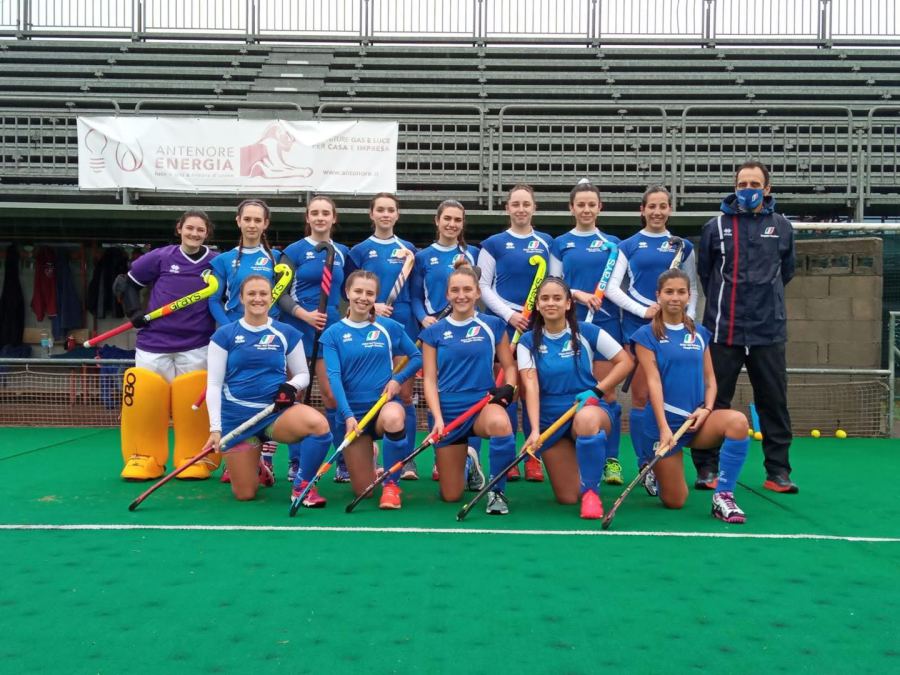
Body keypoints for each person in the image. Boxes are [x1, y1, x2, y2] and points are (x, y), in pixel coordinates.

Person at [694, 161, 797, 493]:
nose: (748, 190)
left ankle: (778, 472)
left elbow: (786, 272)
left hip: (768, 331)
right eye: (742, 184)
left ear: (766, 189)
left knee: (773, 401)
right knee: (713, 400)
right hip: (724, 329)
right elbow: (707, 274)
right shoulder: (715, 227)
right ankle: (707, 468)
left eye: (754, 184)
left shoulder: (782, 226)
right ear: (734, 187)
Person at [632, 269, 751, 523]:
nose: (675, 297)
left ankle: (723, 496)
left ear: (689, 296)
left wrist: (706, 409)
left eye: (681, 292)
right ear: (658, 295)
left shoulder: (700, 333)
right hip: (664, 425)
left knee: (738, 422)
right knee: (675, 501)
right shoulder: (645, 335)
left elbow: (710, 381)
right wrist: (664, 428)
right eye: (669, 292)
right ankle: (652, 469)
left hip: (697, 421)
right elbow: (653, 383)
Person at [604, 186, 698, 494]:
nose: (657, 212)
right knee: (642, 398)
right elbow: (612, 288)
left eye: (663, 206)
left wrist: (687, 321)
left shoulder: (684, 246)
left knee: (671, 397)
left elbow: (692, 289)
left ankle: (666, 458)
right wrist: (643, 310)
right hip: (639, 331)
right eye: (652, 206)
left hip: (675, 333)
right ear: (642, 210)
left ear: (669, 209)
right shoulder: (628, 245)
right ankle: (646, 464)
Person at [205, 275, 331, 502]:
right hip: (238, 420)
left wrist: (291, 386)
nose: (258, 298)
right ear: (241, 298)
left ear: (271, 297)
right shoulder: (224, 335)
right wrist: (215, 428)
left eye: (263, 293)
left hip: (275, 414)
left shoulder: (286, 332)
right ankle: (258, 464)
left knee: (319, 425)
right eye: (251, 294)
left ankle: (302, 486)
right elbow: (213, 385)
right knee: (245, 494)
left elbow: (303, 374)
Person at [517, 277, 632, 519]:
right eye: (545, 298)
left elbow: (625, 362)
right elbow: (531, 387)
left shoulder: (587, 332)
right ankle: (584, 467)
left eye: (557, 298)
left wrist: (597, 391)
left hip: (587, 407)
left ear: (568, 303)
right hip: (551, 419)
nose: (551, 303)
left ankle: (592, 493)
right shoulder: (527, 341)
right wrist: (535, 430)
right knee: (568, 497)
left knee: (587, 420)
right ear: (537, 305)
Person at [117, 210, 219, 481]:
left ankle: (194, 456)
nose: (194, 233)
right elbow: (126, 283)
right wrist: (134, 311)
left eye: (200, 229)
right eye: (190, 228)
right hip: (154, 343)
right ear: (179, 229)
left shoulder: (216, 262)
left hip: (196, 344)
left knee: (193, 404)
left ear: (207, 233)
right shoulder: (161, 257)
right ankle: (144, 457)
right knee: (147, 401)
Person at [317, 271, 423, 509]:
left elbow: (417, 357)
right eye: (358, 291)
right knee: (363, 491)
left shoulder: (388, 327)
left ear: (376, 296)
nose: (363, 297)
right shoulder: (332, 334)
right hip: (354, 417)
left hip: (383, 407)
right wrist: (347, 416)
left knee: (395, 417)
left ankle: (392, 486)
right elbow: (334, 377)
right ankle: (370, 455)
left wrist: (397, 380)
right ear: (347, 292)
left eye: (369, 293)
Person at [420, 261, 517, 514]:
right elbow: (429, 379)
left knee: (501, 424)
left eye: (467, 289)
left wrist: (508, 388)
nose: (461, 295)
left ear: (477, 293)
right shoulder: (434, 332)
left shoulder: (493, 325)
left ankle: (497, 492)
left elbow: (509, 366)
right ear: (447, 294)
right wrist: (437, 418)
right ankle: (469, 464)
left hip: (482, 405)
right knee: (451, 495)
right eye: (455, 290)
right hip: (448, 412)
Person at [549, 180, 625, 486]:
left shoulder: (613, 243)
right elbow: (554, 283)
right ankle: (578, 456)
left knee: (607, 392)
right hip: (569, 323)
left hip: (605, 324)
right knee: (575, 390)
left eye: (591, 204)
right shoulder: (561, 243)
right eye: (580, 204)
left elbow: (616, 286)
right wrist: (577, 295)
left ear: (599, 207)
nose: (586, 209)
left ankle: (611, 460)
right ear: (571, 208)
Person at [477, 184, 553, 482]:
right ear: (507, 208)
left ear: (534, 208)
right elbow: (483, 286)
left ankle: (533, 454)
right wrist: (510, 315)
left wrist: (537, 313)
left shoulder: (546, 242)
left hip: (537, 326)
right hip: (504, 325)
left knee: (535, 390)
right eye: (516, 204)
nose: (521, 209)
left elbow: (553, 283)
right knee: (507, 391)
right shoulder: (493, 243)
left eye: (526, 204)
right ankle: (507, 458)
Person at [345, 193, 420, 481]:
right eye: (380, 210)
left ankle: (407, 461)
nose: (386, 214)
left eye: (391, 210)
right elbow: (348, 290)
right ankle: (370, 451)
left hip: (402, 325)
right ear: (372, 214)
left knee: (404, 394)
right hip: (370, 325)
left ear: (397, 214)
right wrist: (373, 305)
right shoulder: (360, 250)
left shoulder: (408, 249)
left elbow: (414, 290)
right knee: (373, 390)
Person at [208, 198, 283, 480]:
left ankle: (266, 460)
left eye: (257, 220)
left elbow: (282, 298)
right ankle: (235, 458)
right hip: (235, 338)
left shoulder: (277, 258)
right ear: (238, 221)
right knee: (234, 394)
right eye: (247, 219)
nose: (252, 225)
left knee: (271, 395)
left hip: (268, 337)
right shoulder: (223, 260)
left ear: (266, 224)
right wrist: (232, 330)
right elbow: (214, 300)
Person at [410, 199, 483, 489]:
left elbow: (477, 291)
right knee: (437, 389)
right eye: (447, 219)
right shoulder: (423, 256)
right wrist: (423, 318)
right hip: (438, 333)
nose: (452, 224)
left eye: (457, 220)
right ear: (437, 221)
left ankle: (471, 458)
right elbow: (416, 296)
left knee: (472, 390)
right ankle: (442, 454)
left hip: (469, 333)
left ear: (463, 224)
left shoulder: (472, 253)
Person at [279, 195, 351, 483]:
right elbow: (281, 294)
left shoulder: (343, 252)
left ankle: (342, 461)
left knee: (332, 395)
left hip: (330, 331)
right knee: (295, 394)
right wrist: (304, 315)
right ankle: (296, 461)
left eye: (326, 213)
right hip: (298, 330)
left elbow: (350, 290)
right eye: (315, 213)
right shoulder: (293, 251)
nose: (320, 218)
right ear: (307, 218)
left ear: (334, 218)